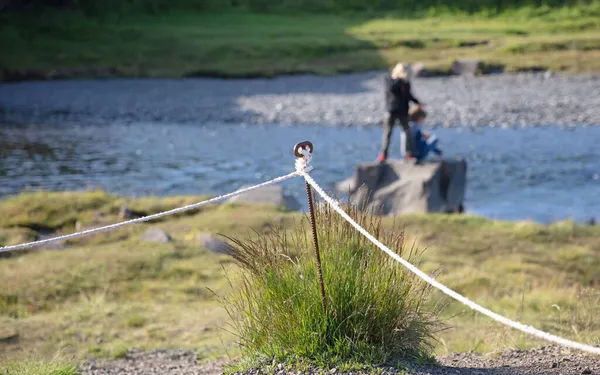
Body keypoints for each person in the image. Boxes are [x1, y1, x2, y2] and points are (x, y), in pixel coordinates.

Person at [378, 63, 423, 163]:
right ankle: (383, 155)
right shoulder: (389, 79)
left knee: (407, 132)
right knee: (388, 133)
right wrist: (400, 80)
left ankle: (408, 154)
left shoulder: (406, 83)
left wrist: (417, 103)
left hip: (403, 111)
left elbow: (408, 95)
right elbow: (392, 89)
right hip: (391, 110)